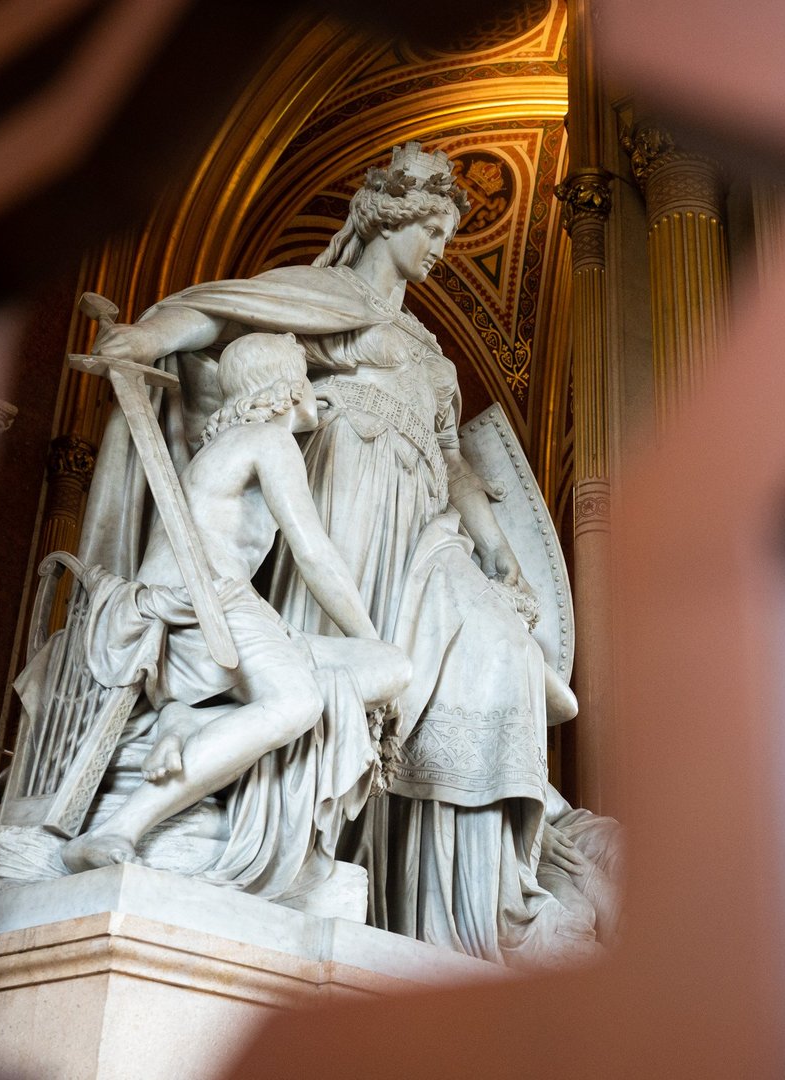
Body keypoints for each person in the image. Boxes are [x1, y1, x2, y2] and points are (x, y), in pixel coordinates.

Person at [79, 142, 612, 965]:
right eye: (431, 226)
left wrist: (501, 552)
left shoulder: (432, 349)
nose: (439, 247)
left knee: (502, 654)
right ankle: (305, 840)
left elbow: (455, 460)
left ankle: (470, 904)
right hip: (334, 502)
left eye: (446, 231)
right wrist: (146, 338)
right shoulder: (322, 295)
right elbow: (220, 314)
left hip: (422, 529)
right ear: (389, 218)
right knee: (336, 675)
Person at [59, 333, 409, 897]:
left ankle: (186, 722)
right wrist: (363, 635)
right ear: (285, 387)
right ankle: (115, 830)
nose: (314, 391)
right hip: (201, 607)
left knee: (391, 667)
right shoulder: (268, 442)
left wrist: (372, 651)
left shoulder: (224, 449)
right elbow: (313, 552)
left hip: (222, 611)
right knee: (299, 702)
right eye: (305, 376)